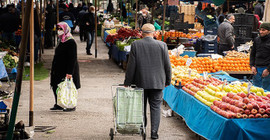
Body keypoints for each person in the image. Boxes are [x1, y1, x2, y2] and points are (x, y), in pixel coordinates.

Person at [124, 23, 171, 139]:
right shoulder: (162, 45)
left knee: (141, 107)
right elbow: (167, 66)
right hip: (157, 82)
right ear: (154, 33)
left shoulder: (136, 44)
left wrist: (127, 82)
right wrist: (168, 81)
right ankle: (154, 133)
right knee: (155, 108)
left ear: (141, 34)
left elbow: (131, 66)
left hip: (141, 81)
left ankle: (143, 129)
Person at [50, 22, 80, 111]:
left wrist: (70, 72)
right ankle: (59, 103)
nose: (59, 31)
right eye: (58, 29)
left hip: (67, 68)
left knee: (68, 87)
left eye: (61, 29)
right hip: (58, 68)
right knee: (57, 86)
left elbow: (72, 58)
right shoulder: (61, 40)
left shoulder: (70, 41)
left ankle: (70, 104)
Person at [250, 23, 270, 91]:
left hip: (267, 69)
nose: (261, 32)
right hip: (257, 69)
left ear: (269, 31)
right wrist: (252, 66)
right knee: (256, 91)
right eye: (260, 30)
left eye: (263, 30)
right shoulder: (257, 40)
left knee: (266, 93)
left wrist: (268, 69)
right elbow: (252, 54)